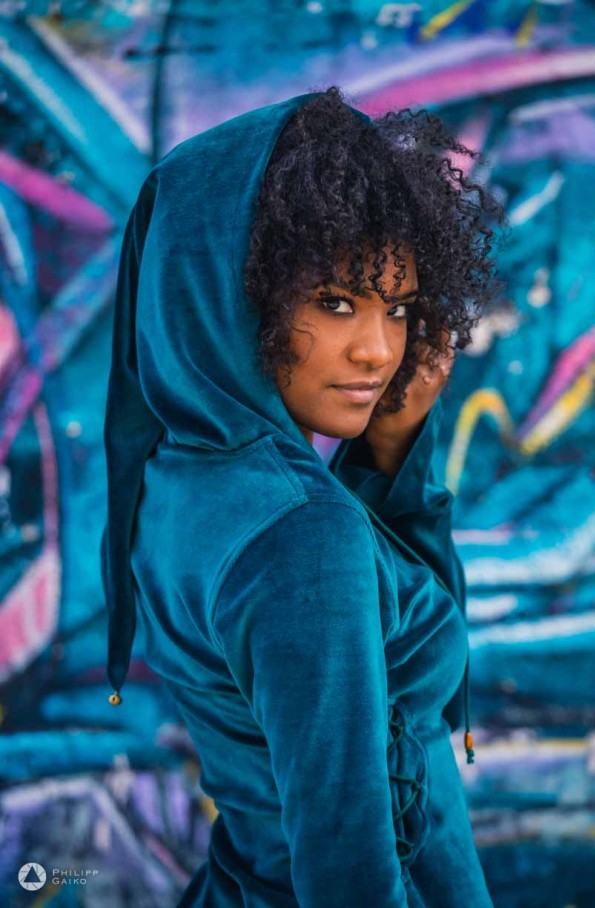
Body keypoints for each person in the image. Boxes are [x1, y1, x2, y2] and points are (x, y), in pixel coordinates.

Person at [100, 86, 500, 907]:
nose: (378, 351)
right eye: (336, 302)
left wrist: (387, 459)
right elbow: (347, 878)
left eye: (396, 308)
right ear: (235, 293)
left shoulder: (177, 476)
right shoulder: (302, 534)